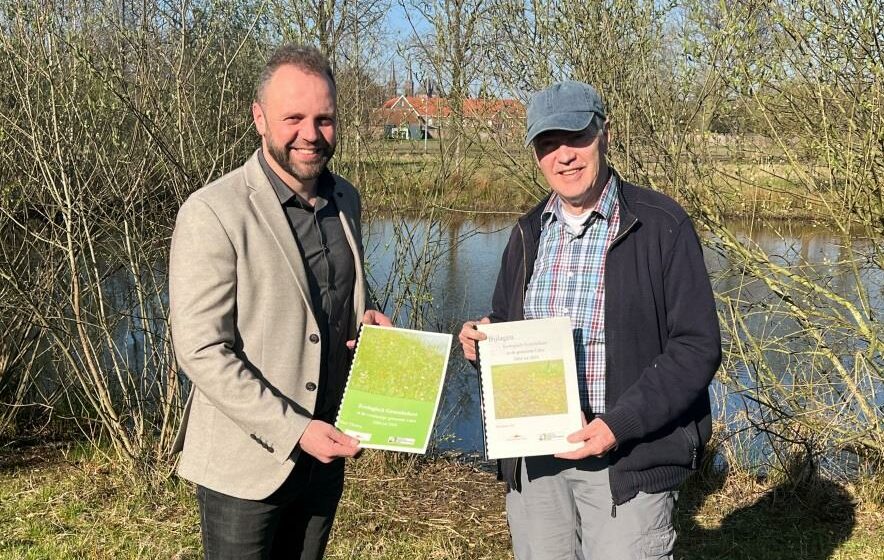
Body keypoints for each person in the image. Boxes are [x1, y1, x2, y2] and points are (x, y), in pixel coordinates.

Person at [458, 80, 721, 559]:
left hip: (626, 459)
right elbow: (505, 322)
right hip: (536, 463)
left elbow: (696, 347)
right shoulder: (527, 232)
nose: (564, 156)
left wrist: (616, 425)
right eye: (547, 144)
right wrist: (483, 342)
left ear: (605, 134)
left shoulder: (661, 224)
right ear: (536, 154)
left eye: (576, 137)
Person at [169, 44, 391, 559]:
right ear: (259, 117)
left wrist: (366, 324)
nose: (310, 134)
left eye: (324, 118)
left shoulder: (346, 200)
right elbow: (202, 350)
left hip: (325, 455)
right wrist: (295, 431)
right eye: (293, 117)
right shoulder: (213, 212)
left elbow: (327, 305)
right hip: (246, 465)